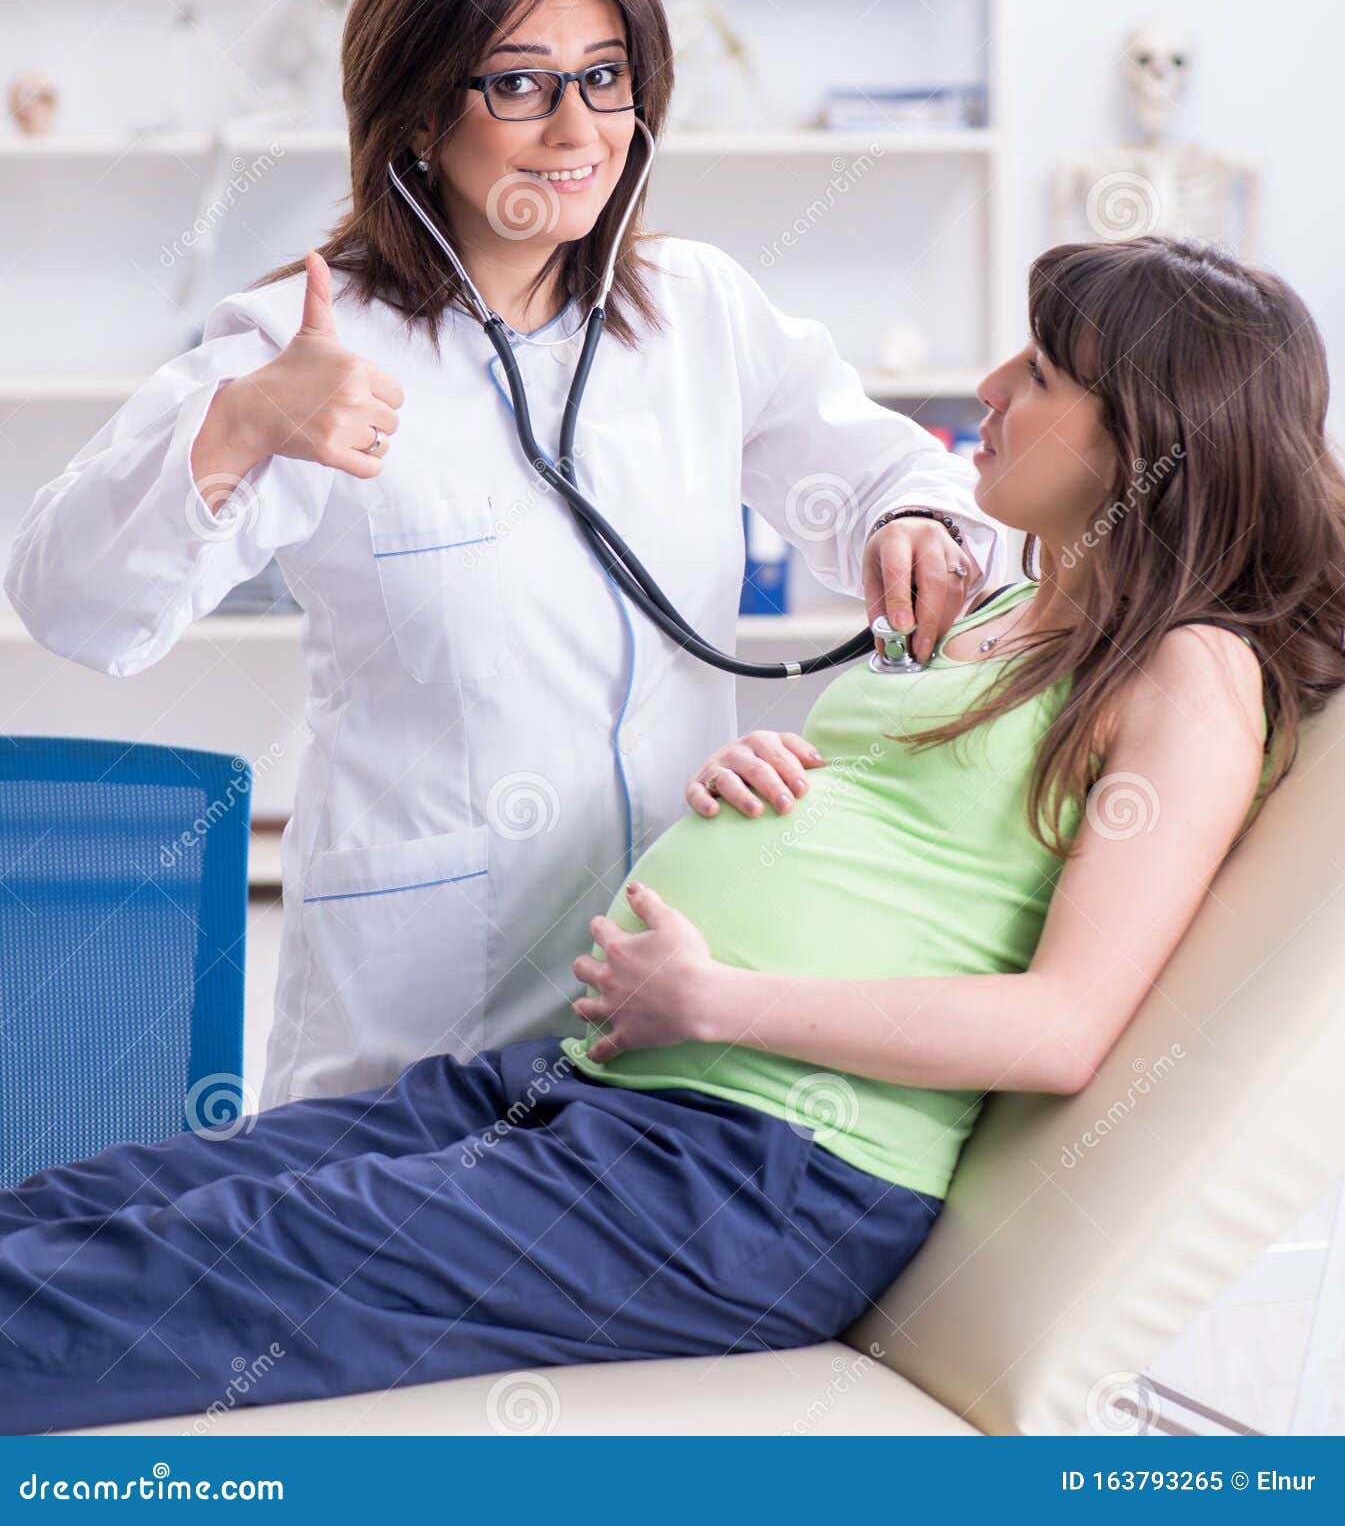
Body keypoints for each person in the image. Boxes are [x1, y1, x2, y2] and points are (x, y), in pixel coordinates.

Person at [5, 234, 1340, 1437]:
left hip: (754, 1176)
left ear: (1146, 438)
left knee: (215, 1262)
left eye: (1040, 371)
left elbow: (1060, 1026)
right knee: (114, 1200)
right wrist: (799, 771)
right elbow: (942, 835)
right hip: (597, 1089)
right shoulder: (1004, 614)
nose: (984, 389)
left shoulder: (1192, 675)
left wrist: (722, 994)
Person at [2, 0, 1007, 1113]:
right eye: (520, 83)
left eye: (606, 76)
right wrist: (243, 424)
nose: (576, 126)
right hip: (427, 1000)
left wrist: (911, 520)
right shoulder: (305, 343)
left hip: (675, 977)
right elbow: (72, 602)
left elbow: (897, 475)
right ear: (420, 113)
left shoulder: (695, 307)